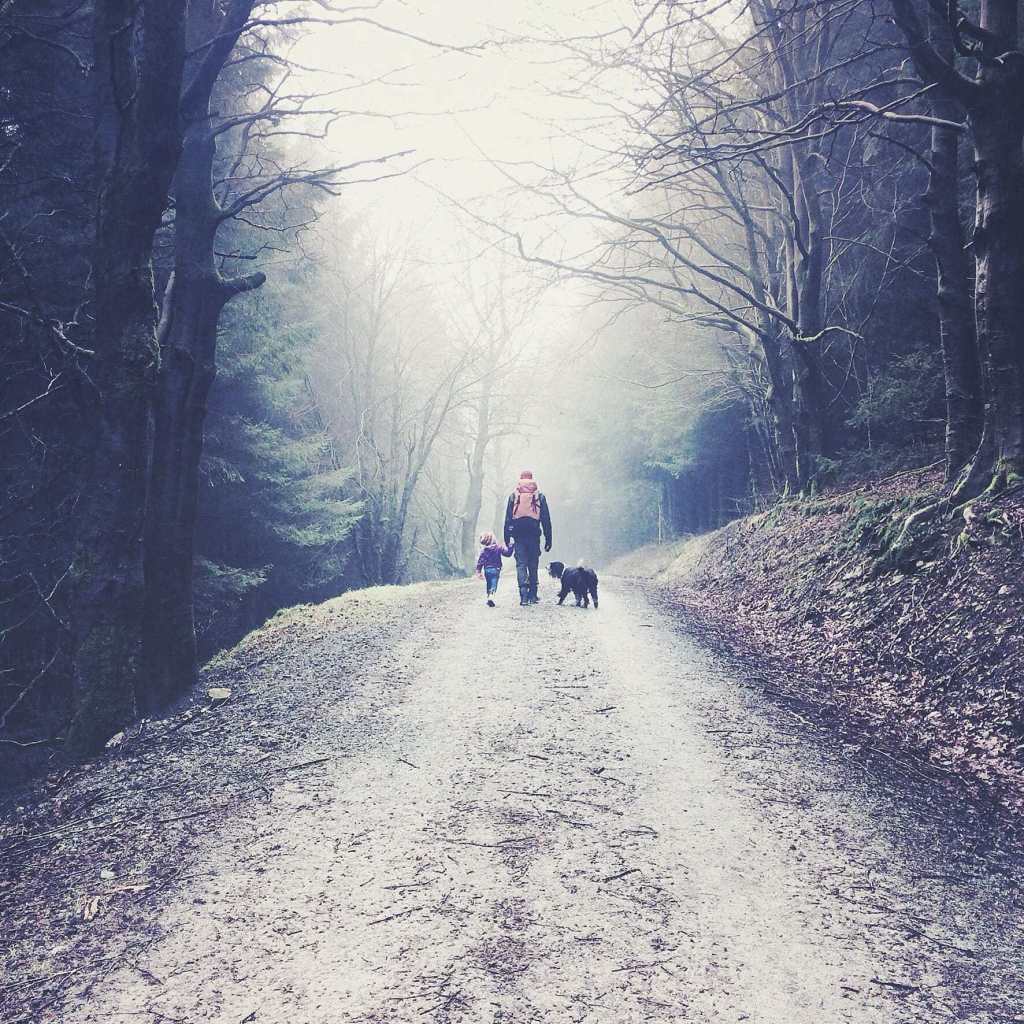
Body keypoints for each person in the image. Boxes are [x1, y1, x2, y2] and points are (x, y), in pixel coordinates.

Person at [503, 470, 552, 606]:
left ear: (520, 480)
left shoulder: (514, 496)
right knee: (533, 564)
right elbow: (546, 520)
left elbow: (508, 519)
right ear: (532, 480)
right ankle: (533, 595)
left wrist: (507, 537)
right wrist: (549, 539)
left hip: (518, 536)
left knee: (521, 564)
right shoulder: (539, 496)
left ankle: (523, 596)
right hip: (534, 535)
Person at [475, 531, 514, 607]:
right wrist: (511, 547)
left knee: (489, 583)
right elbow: (507, 554)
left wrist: (478, 571)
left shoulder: (484, 551)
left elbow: (480, 562)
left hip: (487, 570)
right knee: (494, 584)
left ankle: (489, 596)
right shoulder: (498, 547)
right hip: (496, 569)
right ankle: (491, 596)